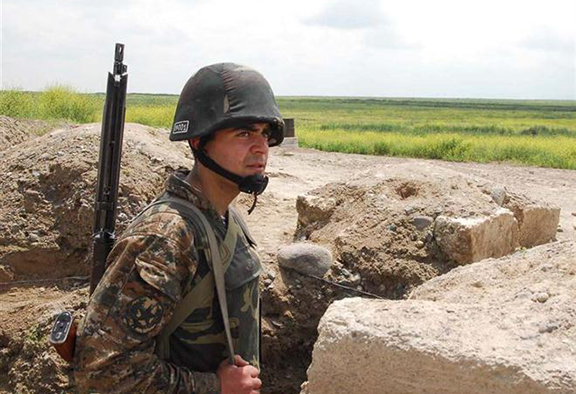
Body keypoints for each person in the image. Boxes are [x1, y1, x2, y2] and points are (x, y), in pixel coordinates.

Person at [73, 63, 285, 394]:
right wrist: (214, 386)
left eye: (265, 134)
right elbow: (101, 372)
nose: (260, 148)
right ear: (200, 142)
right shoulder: (166, 236)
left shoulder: (227, 218)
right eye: (244, 133)